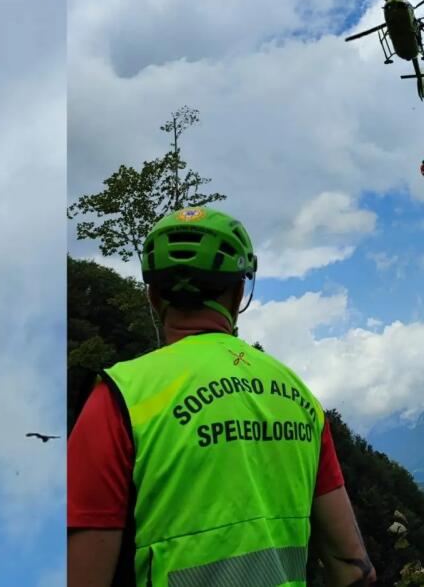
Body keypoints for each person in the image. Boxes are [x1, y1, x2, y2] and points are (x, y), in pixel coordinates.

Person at [67, 207, 376, 587]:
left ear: (152, 294)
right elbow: (351, 568)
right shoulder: (299, 397)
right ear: (239, 291)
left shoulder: (119, 397)